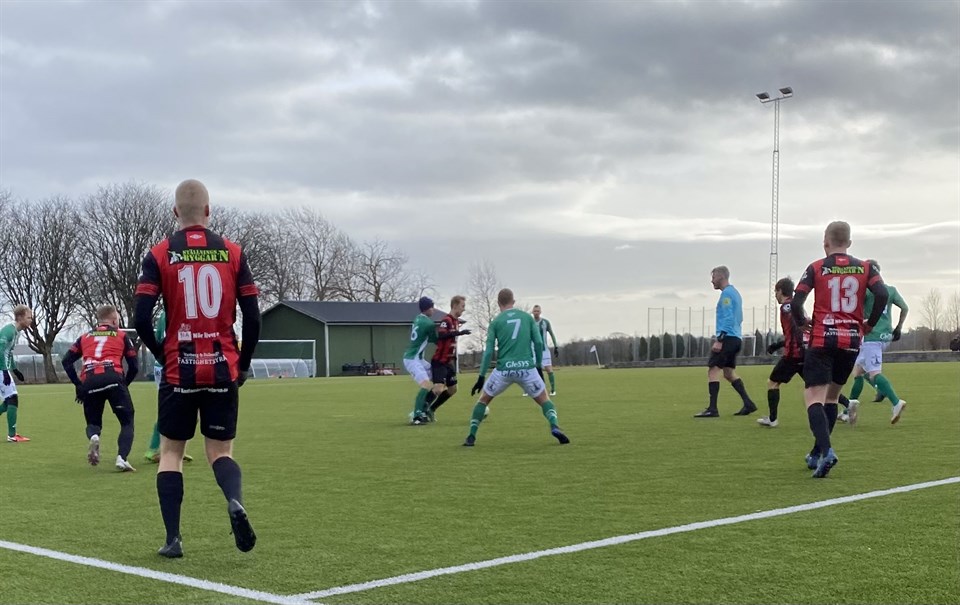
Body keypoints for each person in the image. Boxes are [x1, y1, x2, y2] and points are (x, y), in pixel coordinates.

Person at [134, 179, 261, 558]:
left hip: (180, 369)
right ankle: (234, 501)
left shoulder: (159, 254)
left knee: (171, 453)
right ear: (208, 211)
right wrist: (243, 364)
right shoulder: (233, 252)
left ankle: (173, 539)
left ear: (175, 212)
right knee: (220, 451)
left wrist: (162, 354)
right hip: (222, 367)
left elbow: (140, 319)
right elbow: (253, 317)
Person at [791, 221, 887, 478]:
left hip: (823, 339)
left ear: (825, 242)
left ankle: (827, 451)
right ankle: (817, 453)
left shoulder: (816, 267)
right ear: (849, 243)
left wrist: (801, 322)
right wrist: (870, 323)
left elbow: (797, 302)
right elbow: (882, 294)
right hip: (851, 341)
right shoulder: (866, 268)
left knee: (814, 398)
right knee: (832, 398)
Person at [464, 288, 569, 447]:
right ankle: (554, 426)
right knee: (545, 400)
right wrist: (538, 367)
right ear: (513, 301)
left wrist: (481, 376)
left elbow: (488, 352)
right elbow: (539, 343)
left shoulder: (496, 322)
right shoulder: (527, 318)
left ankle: (471, 436)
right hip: (526, 368)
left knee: (483, 400)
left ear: (498, 303)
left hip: (503, 370)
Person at [61, 305, 139, 471]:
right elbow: (134, 366)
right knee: (127, 422)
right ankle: (122, 458)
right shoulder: (122, 335)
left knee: (93, 423)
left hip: (90, 380)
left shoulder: (84, 337)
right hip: (113, 377)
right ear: (113, 320)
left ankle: (94, 436)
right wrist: (124, 384)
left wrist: (78, 384)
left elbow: (66, 361)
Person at [839, 260, 909, 425]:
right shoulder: (890, 290)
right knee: (858, 372)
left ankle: (896, 402)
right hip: (885, 336)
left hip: (872, 337)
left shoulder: (865, 292)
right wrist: (898, 327)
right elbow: (905, 308)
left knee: (874, 374)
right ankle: (848, 412)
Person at [694, 266, 757, 417]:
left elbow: (728, 317)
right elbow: (739, 317)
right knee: (728, 373)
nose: (712, 281)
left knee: (713, 370)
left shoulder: (727, 294)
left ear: (721, 277)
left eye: (713, 277)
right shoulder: (735, 293)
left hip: (727, 338)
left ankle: (712, 409)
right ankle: (748, 404)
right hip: (736, 337)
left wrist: (720, 339)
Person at [142, 310, 193, 463]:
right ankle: (153, 449)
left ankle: (177, 448)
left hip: (168, 363)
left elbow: (157, 338)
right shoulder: (182, 309)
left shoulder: (165, 313)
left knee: (185, 410)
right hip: (174, 364)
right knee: (172, 409)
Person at [757, 278, 804, 428]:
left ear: (780, 291)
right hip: (803, 352)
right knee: (816, 385)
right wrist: (779, 345)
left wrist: (780, 345)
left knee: (772, 382)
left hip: (792, 355)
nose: (775, 295)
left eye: (775, 292)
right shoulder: (796, 305)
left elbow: (794, 331)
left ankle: (772, 419)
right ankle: (848, 404)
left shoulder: (786, 307)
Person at [426, 295, 471, 422]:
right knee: (439, 388)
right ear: (455, 306)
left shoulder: (456, 321)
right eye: (462, 306)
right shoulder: (446, 320)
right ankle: (421, 409)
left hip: (448, 362)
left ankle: (432, 409)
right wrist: (459, 333)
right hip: (439, 361)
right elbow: (441, 335)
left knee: (453, 389)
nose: (464, 309)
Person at [403, 296, 442, 425]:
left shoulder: (418, 318)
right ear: (428, 308)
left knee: (438, 381)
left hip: (419, 359)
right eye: (432, 307)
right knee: (425, 385)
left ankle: (424, 408)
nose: (434, 310)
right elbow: (435, 340)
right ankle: (417, 416)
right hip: (412, 359)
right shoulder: (428, 323)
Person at [0, 305, 33, 442]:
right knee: (12, 398)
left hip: (3, 369)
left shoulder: (17, 332)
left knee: (10, 400)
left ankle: (12, 435)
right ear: (20, 317)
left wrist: (14, 370)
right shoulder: (9, 331)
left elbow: (9, 352)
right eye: (28, 317)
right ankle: (12, 436)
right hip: (0, 369)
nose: (31, 320)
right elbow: (0, 350)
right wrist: (4, 371)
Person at [532, 305, 559, 397]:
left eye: (537, 311)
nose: (536, 313)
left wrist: (556, 346)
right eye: (535, 311)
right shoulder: (529, 322)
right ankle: (529, 390)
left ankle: (553, 390)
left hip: (544, 350)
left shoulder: (545, 322)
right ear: (532, 312)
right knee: (532, 370)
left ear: (540, 312)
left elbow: (551, 333)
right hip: (533, 350)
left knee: (549, 370)